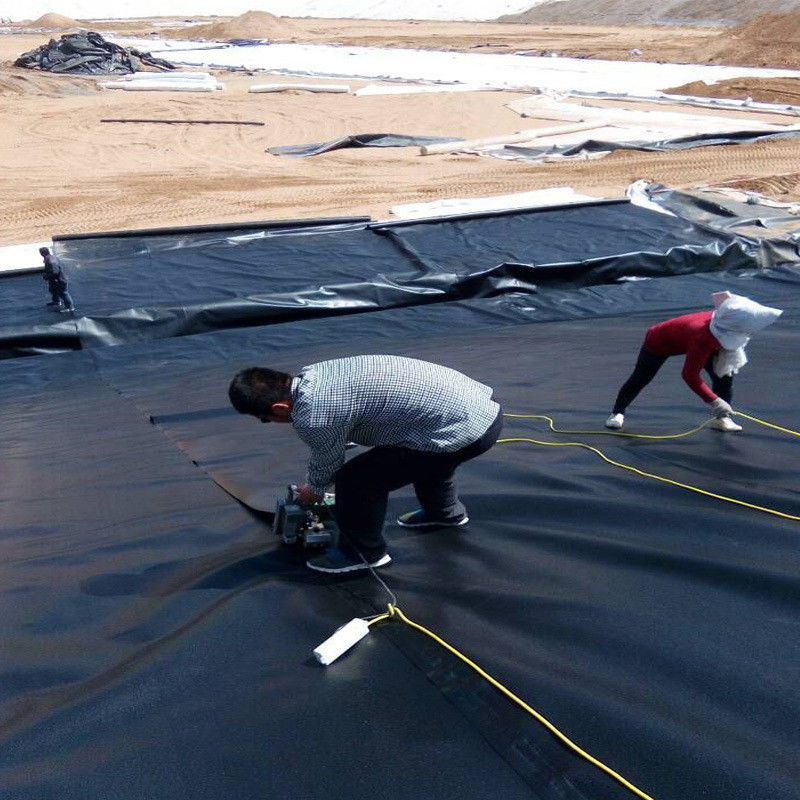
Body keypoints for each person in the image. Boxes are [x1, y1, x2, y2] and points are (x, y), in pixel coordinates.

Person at [228, 355, 502, 574]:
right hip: (478, 410)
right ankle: (444, 513)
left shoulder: (313, 414)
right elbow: (345, 424)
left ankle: (364, 554)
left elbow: (328, 463)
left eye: (264, 418)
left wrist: (313, 489)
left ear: (279, 408)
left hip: (465, 431)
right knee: (427, 457)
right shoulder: (314, 374)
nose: (266, 423)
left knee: (357, 480)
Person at [606, 292, 782, 432]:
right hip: (660, 342)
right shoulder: (702, 336)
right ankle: (617, 413)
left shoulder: (727, 322)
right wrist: (714, 401)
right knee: (641, 378)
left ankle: (721, 419)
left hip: (705, 342)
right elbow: (690, 375)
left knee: (724, 375)